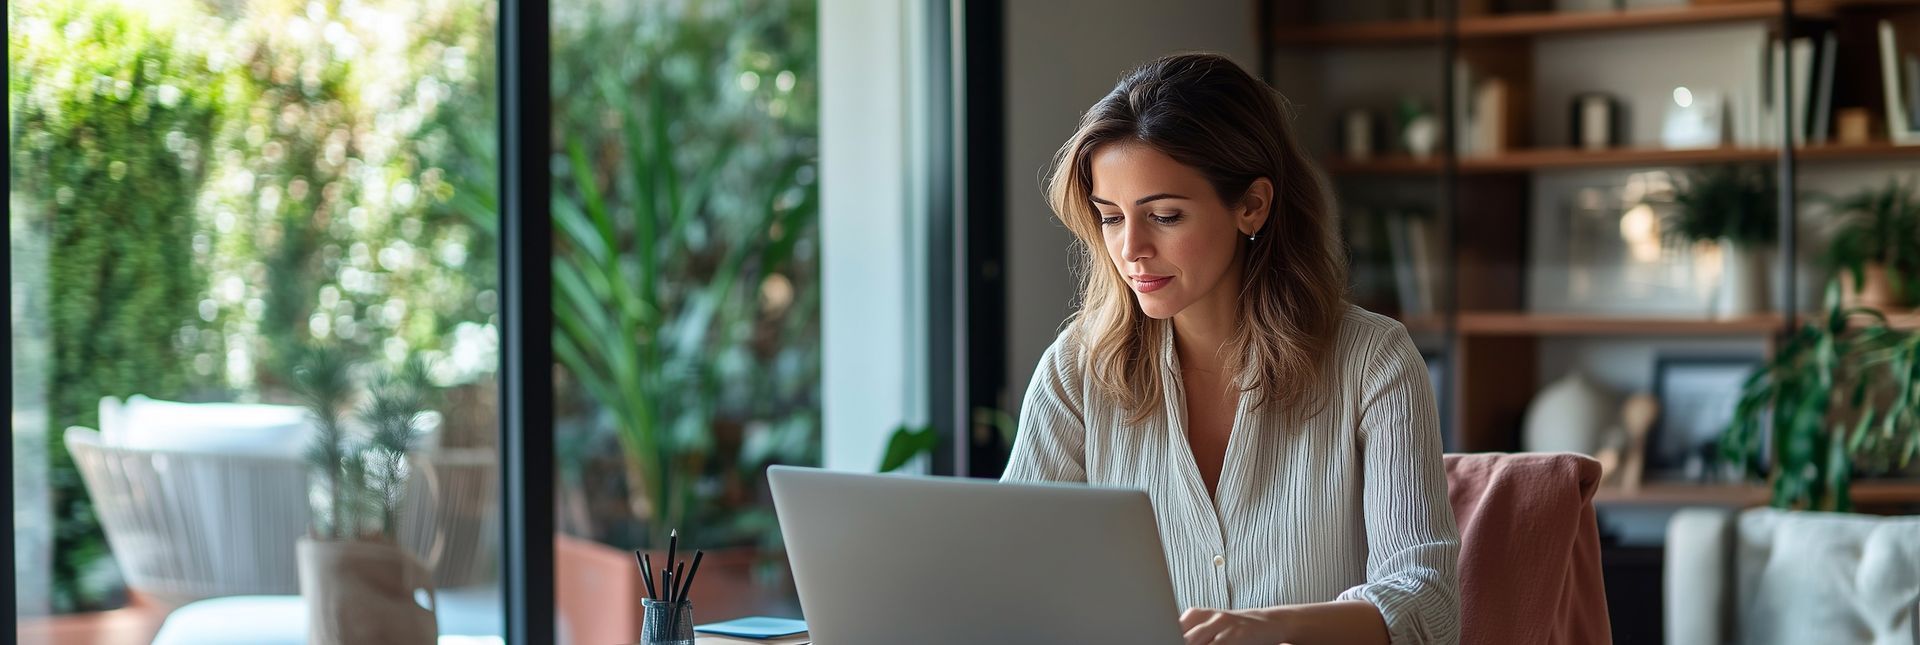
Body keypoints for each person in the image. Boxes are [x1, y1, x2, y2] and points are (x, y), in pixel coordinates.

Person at [1000, 52, 1460, 645]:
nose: (1131, 249)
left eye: (1164, 216)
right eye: (1111, 218)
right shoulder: (1076, 369)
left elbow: (1430, 602)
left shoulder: (1373, 361)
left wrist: (1266, 631)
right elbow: (1013, 571)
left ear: (1252, 206)